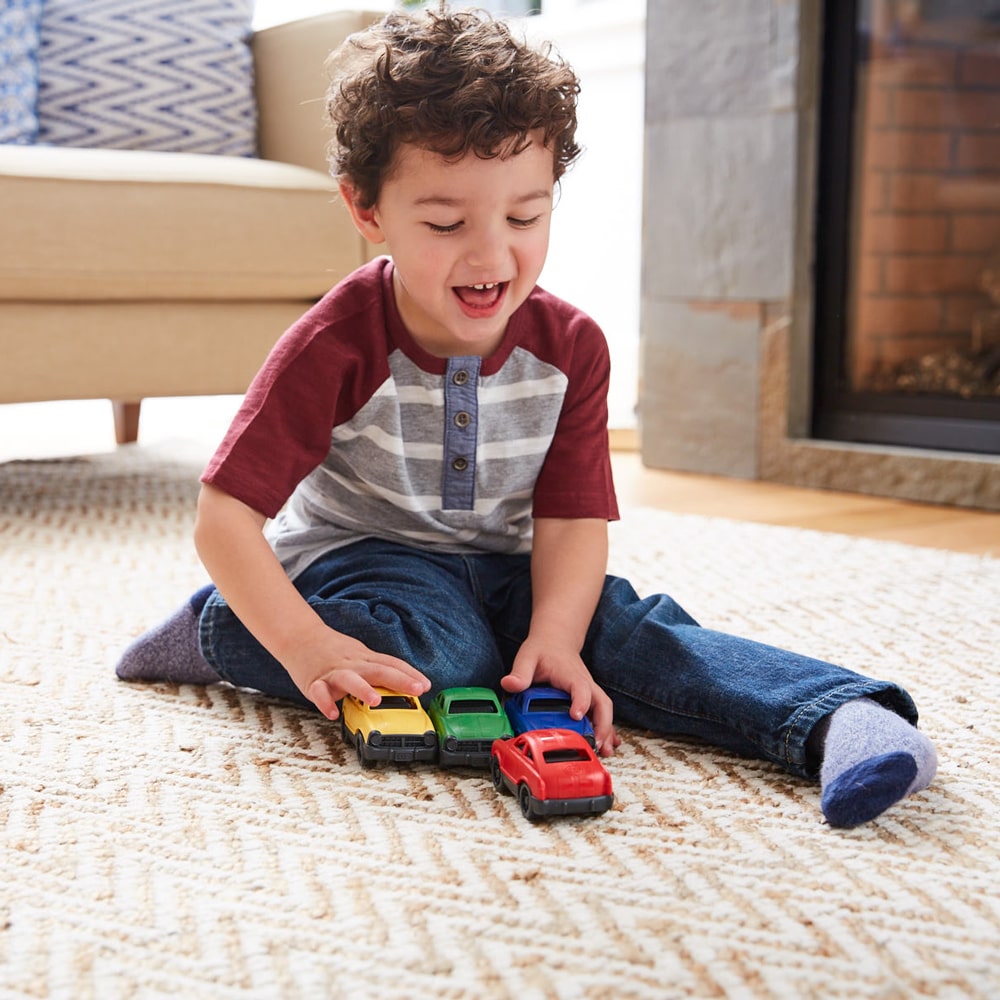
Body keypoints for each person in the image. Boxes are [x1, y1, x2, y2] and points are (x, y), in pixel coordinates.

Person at [116, 7, 936, 828]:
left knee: (623, 635)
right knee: (453, 657)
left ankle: (837, 718)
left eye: (524, 216)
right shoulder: (332, 344)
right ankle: (223, 626)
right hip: (366, 562)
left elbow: (573, 518)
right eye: (445, 224)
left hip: (510, 566)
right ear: (366, 209)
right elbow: (225, 516)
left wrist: (558, 632)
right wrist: (302, 644)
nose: (491, 255)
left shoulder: (572, 346)